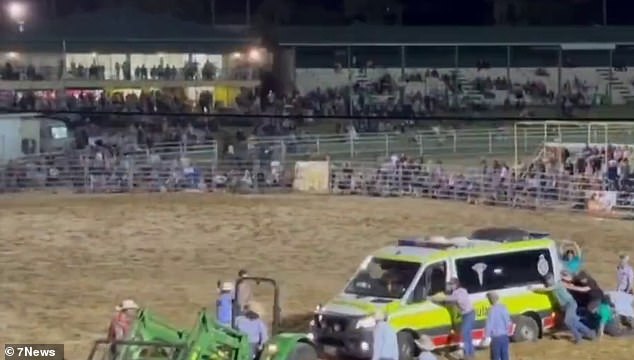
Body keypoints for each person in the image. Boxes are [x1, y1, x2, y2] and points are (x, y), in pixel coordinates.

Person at [531, 273, 595, 343]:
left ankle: (578, 338)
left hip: (570, 304)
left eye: (549, 279)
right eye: (547, 280)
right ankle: (590, 333)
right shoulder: (554, 286)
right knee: (573, 322)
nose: (548, 281)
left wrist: (534, 289)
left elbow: (547, 289)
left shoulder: (558, 284)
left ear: (553, 279)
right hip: (565, 306)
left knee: (567, 322)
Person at [432, 278, 475, 359]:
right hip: (468, 314)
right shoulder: (461, 291)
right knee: (468, 335)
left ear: (456, 284)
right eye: (450, 284)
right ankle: (470, 354)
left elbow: (451, 299)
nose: (450, 286)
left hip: (468, 314)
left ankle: (468, 355)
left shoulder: (458, 292)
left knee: (466, 334)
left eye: (451, 284)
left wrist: (437, 297)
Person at [484, 292, 511, 360]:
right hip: (504, 337)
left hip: (495, 338)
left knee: (495, 357)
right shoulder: (504, 308)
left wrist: (487, 336)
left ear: (490, 300)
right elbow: (508, 323)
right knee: (505, 356)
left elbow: (489, 325)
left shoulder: (491, 311)